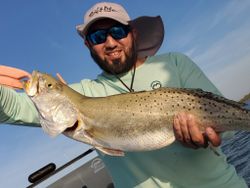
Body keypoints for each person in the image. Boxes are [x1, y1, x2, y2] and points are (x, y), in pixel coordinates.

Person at [0, 2, 247, 188]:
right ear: (88, 45)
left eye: (117, 32)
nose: (110, 42)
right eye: (97, 37)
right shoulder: (85, 93)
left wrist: (209, 135)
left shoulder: (175, 63)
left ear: (133, 33)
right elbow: (11, 108)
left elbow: (232, 127)